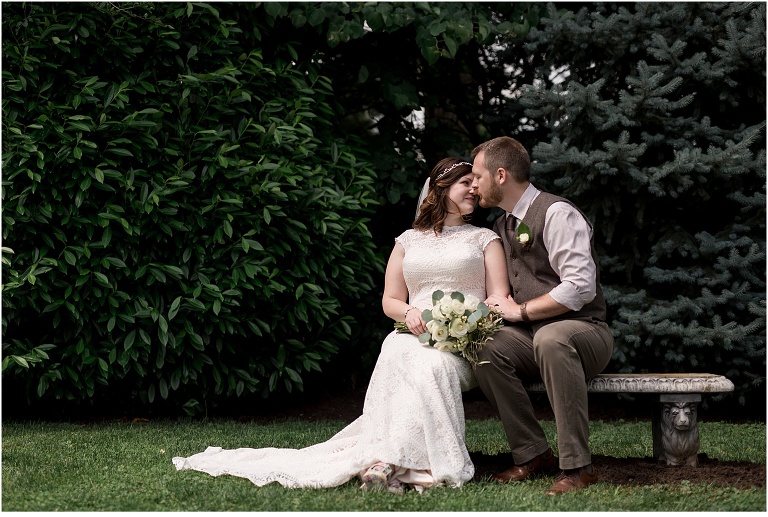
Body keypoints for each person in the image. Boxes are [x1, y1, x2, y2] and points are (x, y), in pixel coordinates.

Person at [173, 158, 510, 494]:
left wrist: (466, 326)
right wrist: (407, 312)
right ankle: (393, 465)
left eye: (474, 182)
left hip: (461, 344)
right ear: (441, 188)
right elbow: (390, 300)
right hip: (413, 335)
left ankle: (398, 465)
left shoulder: (484, 239)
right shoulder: (408, 240)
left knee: (431, 366)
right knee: (401, 352)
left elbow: (498, 298)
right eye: (465, 182)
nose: (474, 188)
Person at [468, 136, 614, 495]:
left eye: (477, 176)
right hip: (533, 338)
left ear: (500, 175)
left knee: (553, 337)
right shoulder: (501, 226)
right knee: (484, 347)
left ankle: (578, 468)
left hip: (585, 333)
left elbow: (580, 287)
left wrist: (521, 311)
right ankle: (533, 454)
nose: (473, 185)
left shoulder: (557, 213)